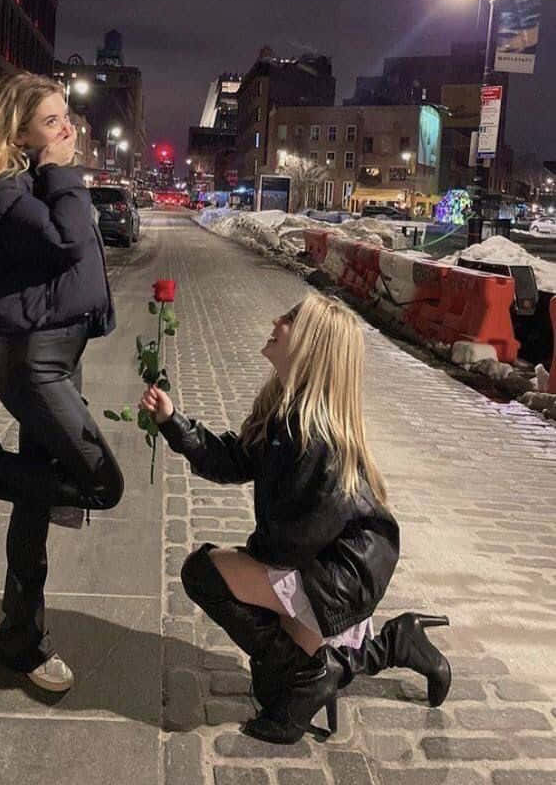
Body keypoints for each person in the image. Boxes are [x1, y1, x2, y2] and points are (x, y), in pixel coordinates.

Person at [140, 291, 451, 744]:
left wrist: (247, 565)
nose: (275, 320)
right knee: (271, 684)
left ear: (309, 346)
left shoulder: (318, 438)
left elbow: (293, 540)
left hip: (339, 575)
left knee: (203, 572)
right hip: (314, 564)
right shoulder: (285, 411)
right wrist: (173, 422)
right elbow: (229, 459)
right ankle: (393, 643)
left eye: (288, 318)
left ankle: (313, 675)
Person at [0, 72, 124, 694]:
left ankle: (21, 643)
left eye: (65, 116)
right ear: (18, 131)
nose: (67, 128)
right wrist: (63, 171)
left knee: (35, 505)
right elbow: (73, 241)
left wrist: (55, 171)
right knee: (101, 485)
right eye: (51, 121)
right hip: (36, 365)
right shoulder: (7, 192)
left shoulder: (26, 185)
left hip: (56, 358)